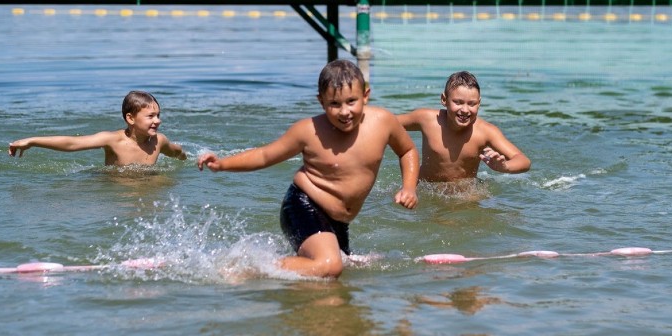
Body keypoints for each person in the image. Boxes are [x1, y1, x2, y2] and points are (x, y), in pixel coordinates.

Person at [197, 59, 419, 279]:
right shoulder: (308, 131)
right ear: (321, 102)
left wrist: (408, 187)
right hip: (304, 206)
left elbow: (407, 151)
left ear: (365, 95)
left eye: (351, 101)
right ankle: (249, 268)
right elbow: (265, 155)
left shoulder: (383, 122)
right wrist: (223, 163)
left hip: (339, 221)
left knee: (335, 281)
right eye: (334, 104)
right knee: (330, 266)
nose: (344, 112)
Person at [398, 71, 531, 182]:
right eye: (458, 102)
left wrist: (504, 167)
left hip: (464, 195)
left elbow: (523, 161)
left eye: (471, 104)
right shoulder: (426, 120)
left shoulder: (485, 131)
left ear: (479, 103)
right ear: (444, 100)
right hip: (425, 189)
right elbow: (388, 122)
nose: (465, 110)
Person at [8, 90, 186, 166]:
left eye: (158, 115)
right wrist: (33, 141)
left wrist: (191, 159)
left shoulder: (158, 141)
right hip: (115, 189)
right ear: (130, 118)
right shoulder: (113, 140)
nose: (158, 121)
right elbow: (72, 143)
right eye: (150, 116)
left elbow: (177, 152)